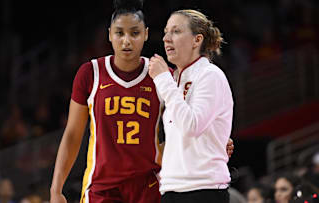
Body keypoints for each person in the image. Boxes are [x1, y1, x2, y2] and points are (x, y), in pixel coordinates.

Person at [50, 1, 234, 202]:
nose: (126, 41)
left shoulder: (163, 75)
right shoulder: (90, 73)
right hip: (103, 185)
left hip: (149, 185)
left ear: (146, 34)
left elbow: (185, 123)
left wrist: (212, 139)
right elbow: (72, 134)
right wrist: (56, 188)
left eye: (135, 33)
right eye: (119, 33)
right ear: (109, 34)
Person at [148, 9, 234, 203]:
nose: (166, 38)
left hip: (203, 190)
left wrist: (163, 79)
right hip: (172, 188)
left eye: (176, 31)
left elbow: (191, 126)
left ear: (197, 40)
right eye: (166, 32)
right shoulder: (176, 79)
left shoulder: (210, 75)